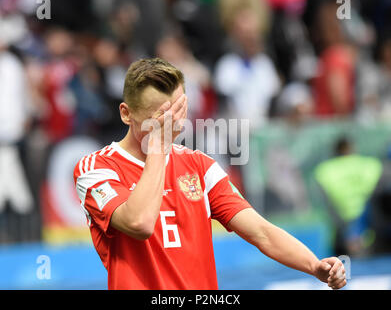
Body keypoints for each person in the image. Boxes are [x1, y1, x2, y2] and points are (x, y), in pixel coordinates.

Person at [74, 58, 346, 290]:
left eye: (178, 113)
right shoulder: (96, 169)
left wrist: (314, 265)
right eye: (159, 118)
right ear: (126, 114)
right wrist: (158, 148)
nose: (172, 126)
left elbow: (261, 231)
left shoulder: (200, 167)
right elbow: (140, 223)